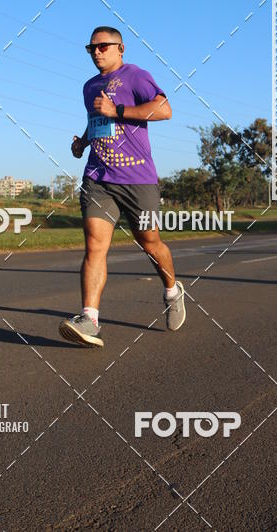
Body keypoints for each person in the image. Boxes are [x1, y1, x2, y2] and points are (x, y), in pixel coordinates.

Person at [58, 26, 185, 347]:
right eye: (92, 48)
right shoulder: (89, 86)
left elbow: (164, 109)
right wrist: (83, 142)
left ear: (121, 48)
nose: (97, 52)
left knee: (150, 243)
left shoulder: (136, 76)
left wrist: (117, 110)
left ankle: (172, 291)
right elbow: (98, 121)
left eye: (103, 46)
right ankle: (89, 319)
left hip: (138, 179)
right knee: (95, 246)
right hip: (98, 178)